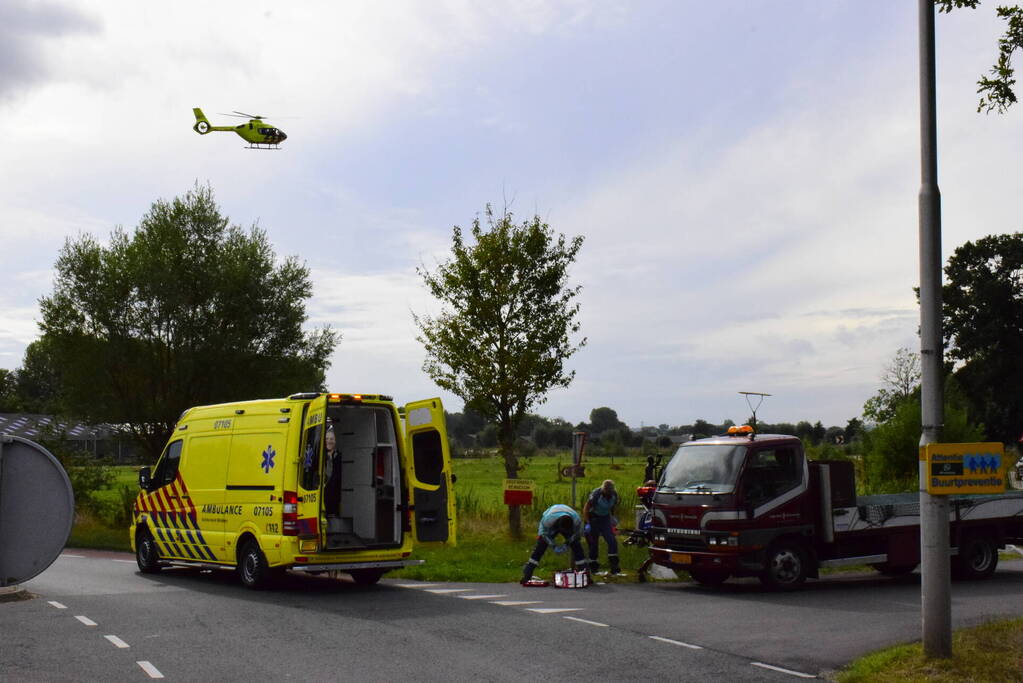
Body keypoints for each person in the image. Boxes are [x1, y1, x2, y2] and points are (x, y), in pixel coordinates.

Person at [520, 503, 589, 584]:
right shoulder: (548, 521)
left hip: (568, 518)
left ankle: (585, 575)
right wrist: (553, 546)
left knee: (577, 546)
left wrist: (568, 542)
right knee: (540, 546)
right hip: (551, 519)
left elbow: (577, 534)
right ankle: (527, 573)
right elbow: (543, 534)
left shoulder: (576, 521)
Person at [584, 479, 621, 575]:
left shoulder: (614, 495)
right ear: (603, 490)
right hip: (593, 518)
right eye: (607, 492)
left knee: (612, 541)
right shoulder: (596, 495)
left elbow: (613, 507)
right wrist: (588, 523)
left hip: (605, 518)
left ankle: (614, 566)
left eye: (610, 492)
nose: (608, 494)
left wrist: (612, 519)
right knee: (594, 543)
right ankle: (593, 567)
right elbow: (586, 508)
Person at [323, 427, 343, 517]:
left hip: (336, 494)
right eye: (327, 439)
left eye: (331, 439)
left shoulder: (340, 456)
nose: (329, 441)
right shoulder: (320, 457)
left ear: (336, 441)